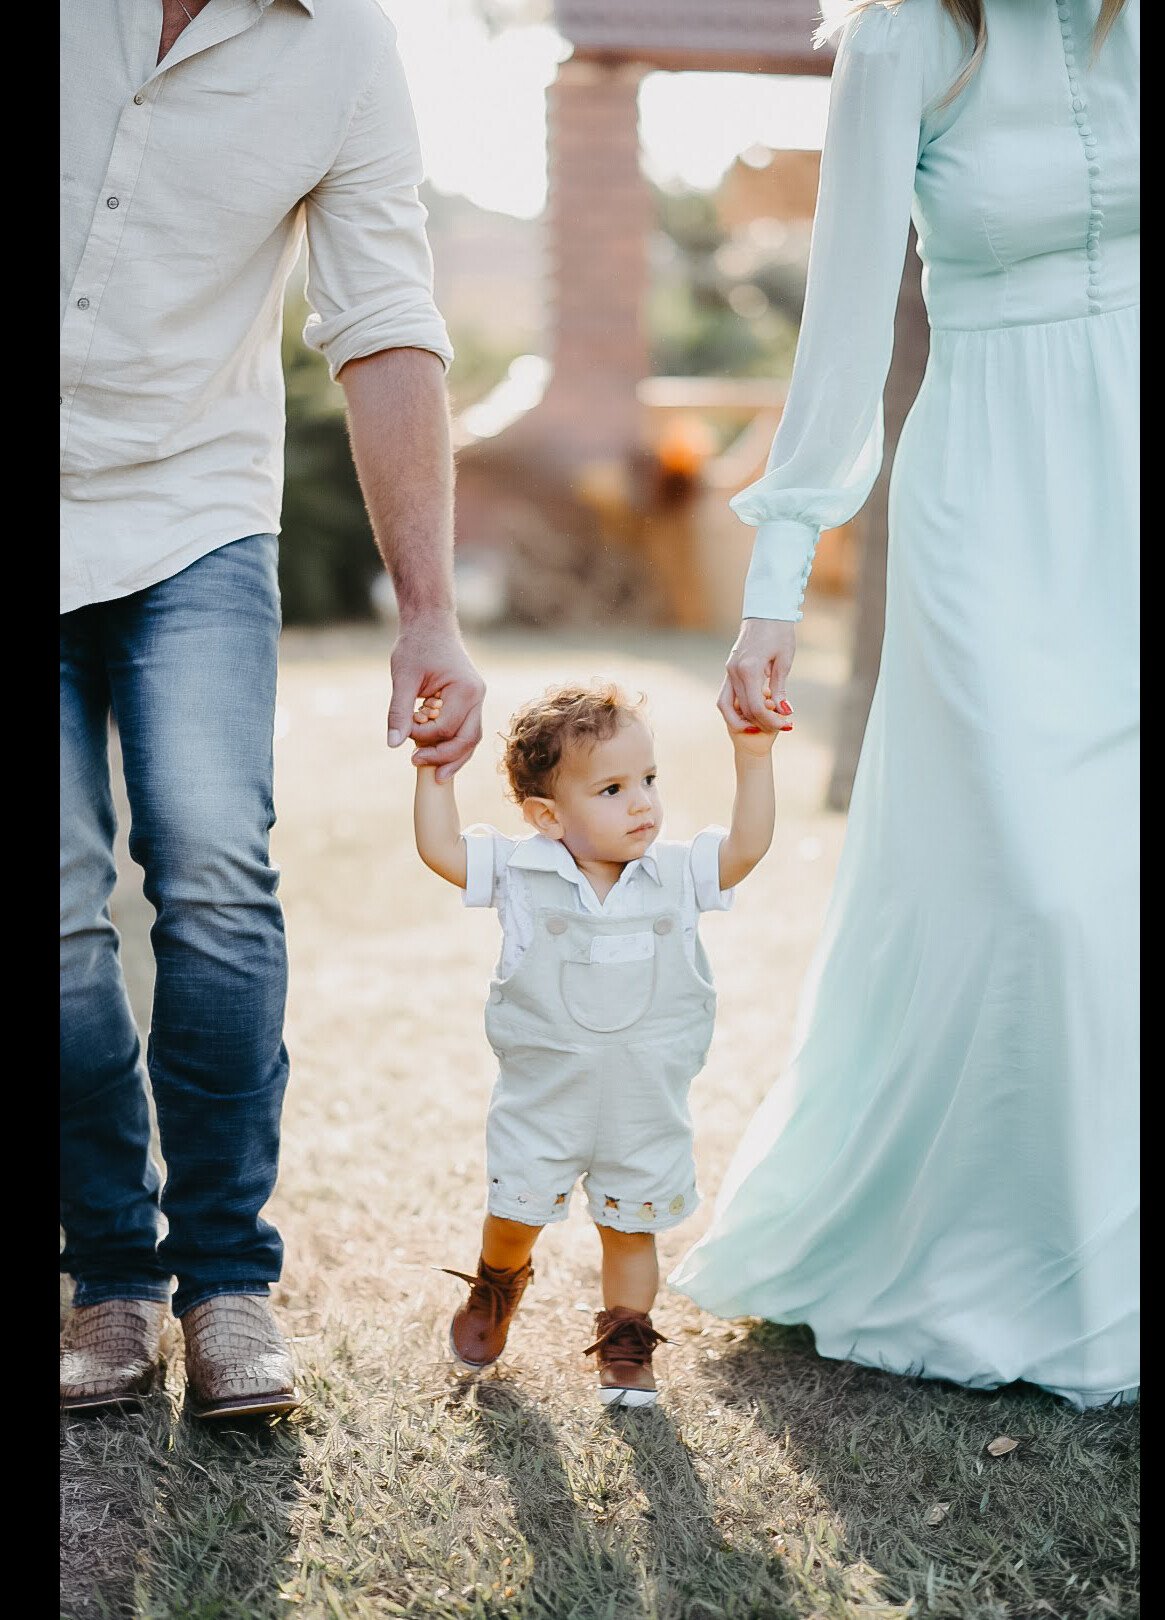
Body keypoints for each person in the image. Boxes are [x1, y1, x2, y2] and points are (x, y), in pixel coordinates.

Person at [671, 0, 1139, 1410]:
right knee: (1043, 888)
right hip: (991, 489)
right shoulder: (900, 45)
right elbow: (848, 309)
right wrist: (777, 580)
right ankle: (1018, 1257)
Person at [60, 0, 485, 1418]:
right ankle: (111, 1280)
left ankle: (228, 1286)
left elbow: (382, 324)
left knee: (215, 872)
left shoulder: (344, 53)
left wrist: (425, 607)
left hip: (193, 512)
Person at [413, 682, 784, 1406]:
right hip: (543, 1103)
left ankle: (626, 1336)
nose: (642, 801)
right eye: (612, 789)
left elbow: (746, 848)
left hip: (643, 1105)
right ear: (548, 816)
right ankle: (498, 1284)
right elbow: (440, 850)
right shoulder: (522, 875)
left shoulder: (674, 875)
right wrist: (433, 772)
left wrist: (753, 757)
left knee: (630, 1228)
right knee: (516, 1215)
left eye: (648, 779)